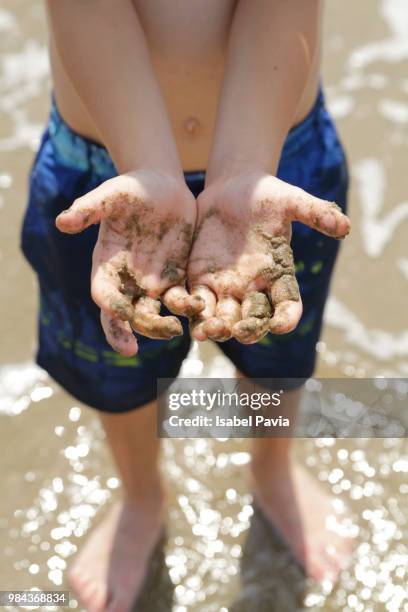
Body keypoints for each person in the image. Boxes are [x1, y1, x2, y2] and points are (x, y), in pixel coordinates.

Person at [21, 1, 352, 610]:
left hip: (275, 159)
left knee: (274, 341)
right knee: (117, 365)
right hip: (107, 171)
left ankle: (272, 467)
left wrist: (245, 168)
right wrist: (147, 166)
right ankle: (142, 495)